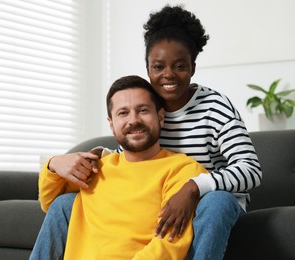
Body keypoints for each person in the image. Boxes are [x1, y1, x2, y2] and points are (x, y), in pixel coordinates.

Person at [31, 5, 262, 260]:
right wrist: (94, 158)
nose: (168, 75)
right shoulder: (150, 108)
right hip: (166, 198)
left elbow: (250, 170)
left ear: (193, 67)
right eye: (158, 67)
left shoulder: (215, 108)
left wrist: (194, 187)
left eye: (179, 66)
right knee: (66, 204)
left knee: (216, 201)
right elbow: (138, 159)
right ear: (148, 68)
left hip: (210, 201)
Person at [31, 75, 207, 259]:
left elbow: (168, 246)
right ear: (111, 124)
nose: (134, 120)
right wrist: (53, 164)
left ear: (160, 117)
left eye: (143, 110)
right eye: (123, 113)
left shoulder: (183, 170)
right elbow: (49, 203)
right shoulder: (97, 167)